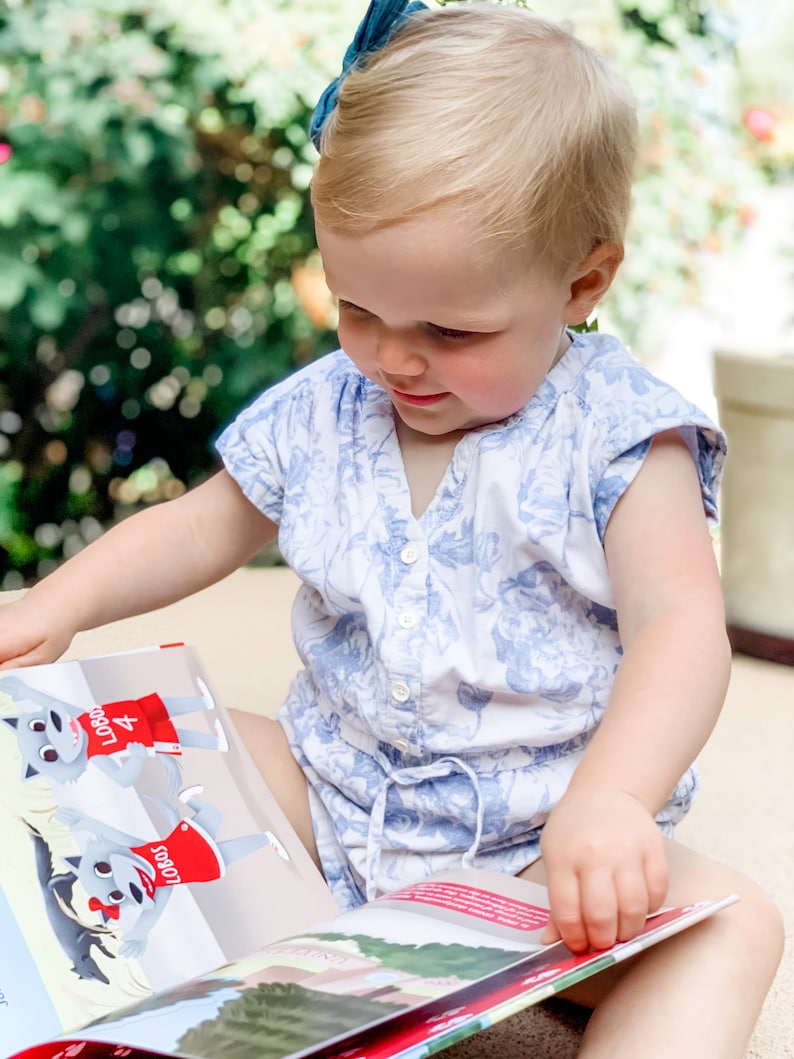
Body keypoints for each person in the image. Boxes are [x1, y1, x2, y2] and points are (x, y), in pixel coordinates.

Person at [0, 2, 782, 1054]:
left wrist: (610, 804)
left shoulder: (618, 439)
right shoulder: (331, 404)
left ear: (582, 280)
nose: (393, 359)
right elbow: (201, 525)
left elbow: (679, 627)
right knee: (141, 748)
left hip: (537, 845)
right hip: (332, 794)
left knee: (728, 929)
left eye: (449, 331)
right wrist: (56, 603)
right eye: (356, 308)